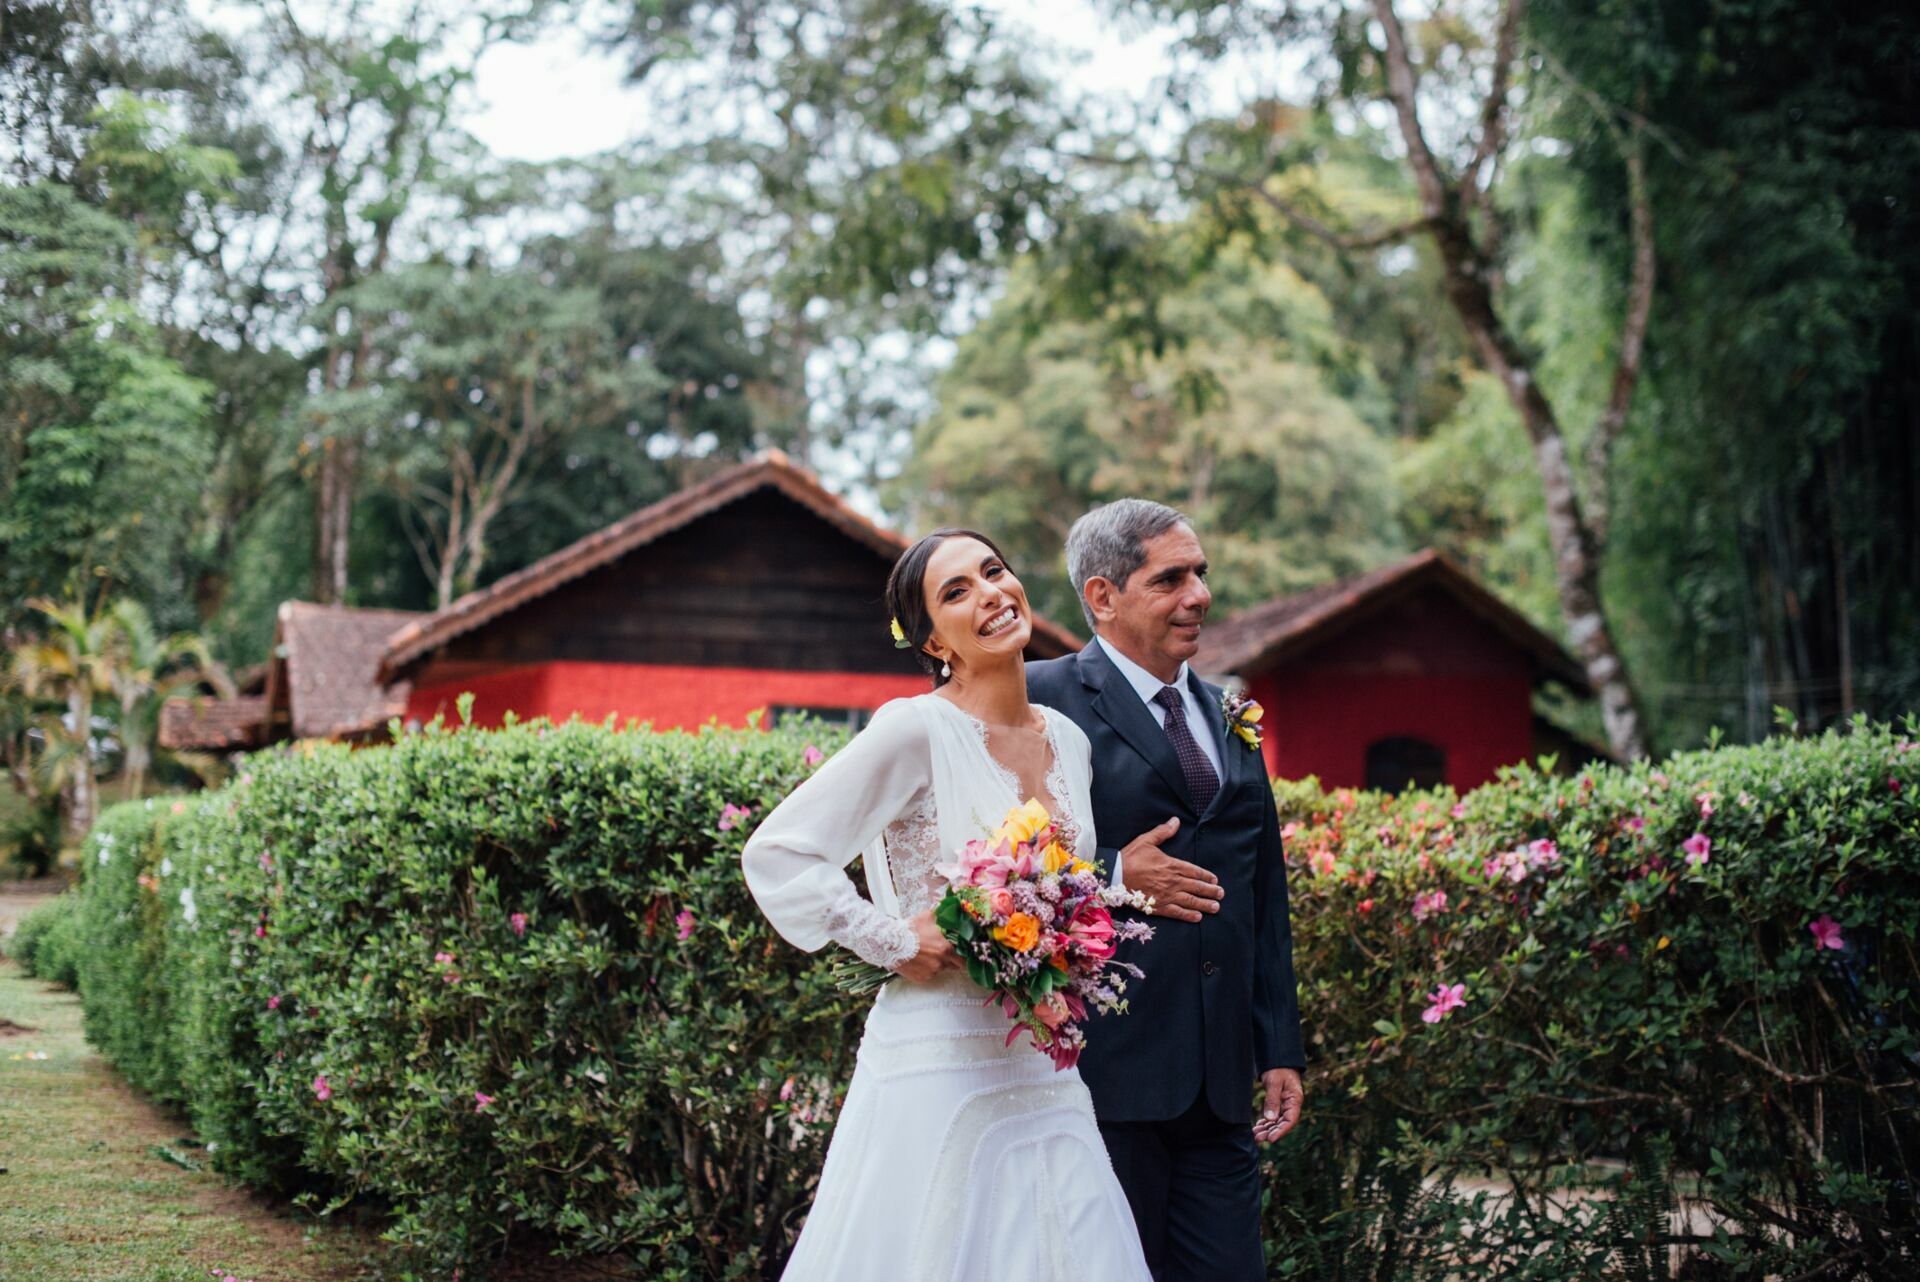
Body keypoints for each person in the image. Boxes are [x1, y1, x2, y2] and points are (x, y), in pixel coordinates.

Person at [741, 528, 1153, 1282]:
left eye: (993, 571)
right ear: (934, 641)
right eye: (957, 591)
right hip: (937, 1057)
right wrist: (894, 940)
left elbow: (1062, 881)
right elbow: (779, 853)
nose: (990, 593)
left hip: (1039, 1059)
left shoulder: (1067, 740)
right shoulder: (914, 729)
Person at [1027, 498, 1306, 1282]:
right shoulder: (1040, 698)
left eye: (1202, 574)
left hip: (1220, 1088)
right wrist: (1114, 871)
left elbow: (1263, 892)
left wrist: (1277, 1043)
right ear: (1102, 597)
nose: (1200, 595)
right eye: (1172, 578)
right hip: (1100, 1076)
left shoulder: (1231, 711)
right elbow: (984, 866)